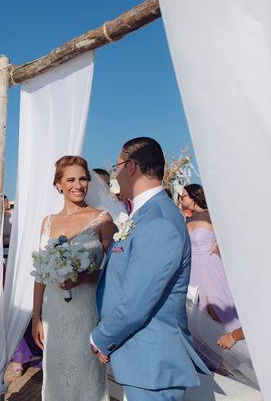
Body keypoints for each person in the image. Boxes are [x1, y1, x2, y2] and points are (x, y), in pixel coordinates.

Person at [92, 137, 208, 401]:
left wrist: (101, 337)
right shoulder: (147, 214)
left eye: (117, 166)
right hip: (141, 357)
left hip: (153, 360)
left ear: (131, 166)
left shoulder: (159, 220)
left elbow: (138, 300)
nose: (115, 175)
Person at [32, 155, 116, 400]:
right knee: (56, 374)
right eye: (70, 179)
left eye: (83, 179)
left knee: (87, 375)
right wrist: (36, 317)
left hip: (87, 311)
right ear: (58, 184)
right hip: (54, 314)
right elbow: (40, 275)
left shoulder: (103, 219)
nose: (78, 185)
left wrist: (84, 278)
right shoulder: (48, 222)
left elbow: (117, 270)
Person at [180, 184, 245, 361]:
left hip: (210, 267)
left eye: (183, 196)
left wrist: (220, 244)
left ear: (193, 197)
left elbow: (232, 237)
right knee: (198, 314)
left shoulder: (212, 214)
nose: (181, 199)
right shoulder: (188, 220)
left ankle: (233, 350)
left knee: (218, 311)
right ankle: (209, 358)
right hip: (193, 269)